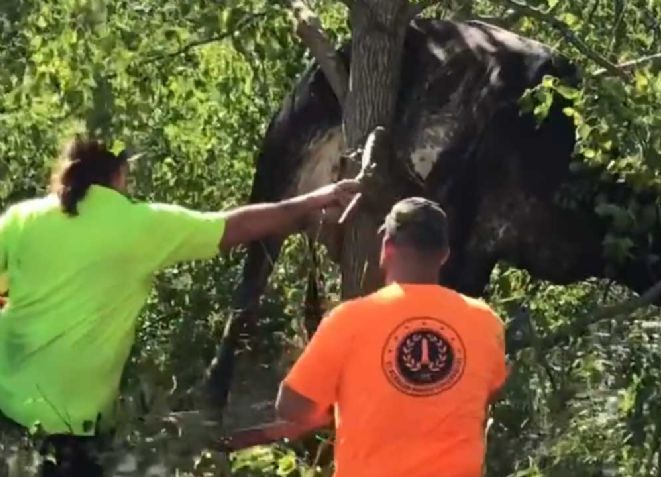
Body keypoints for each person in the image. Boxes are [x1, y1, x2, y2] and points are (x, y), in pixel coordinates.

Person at [0, 135, 359, 476]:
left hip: (6, 407)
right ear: (119, 175)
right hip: (72, 426)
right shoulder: (138, 224)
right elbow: (230, 226)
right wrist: (313, 200)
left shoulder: (22, 218)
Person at [226, 197, 509, 477]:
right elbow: (490, 389)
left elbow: (292, 407)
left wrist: (334, 411)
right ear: (444, 254)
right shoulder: (485, 321)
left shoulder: (350, 319)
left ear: (386, 248)